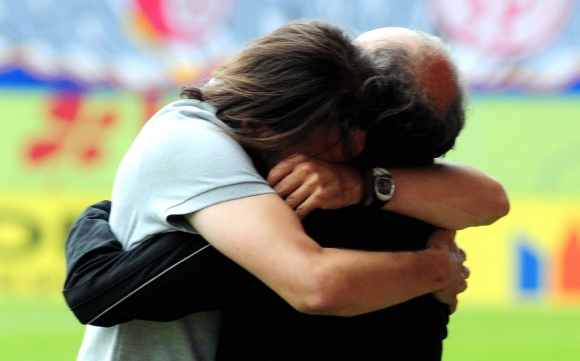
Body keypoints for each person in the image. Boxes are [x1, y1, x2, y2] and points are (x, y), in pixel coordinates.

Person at [66, 21, 508, 361]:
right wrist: (436, 269)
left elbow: (100, 290)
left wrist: (94, 223)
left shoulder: (311, 194)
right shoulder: (397, 200)